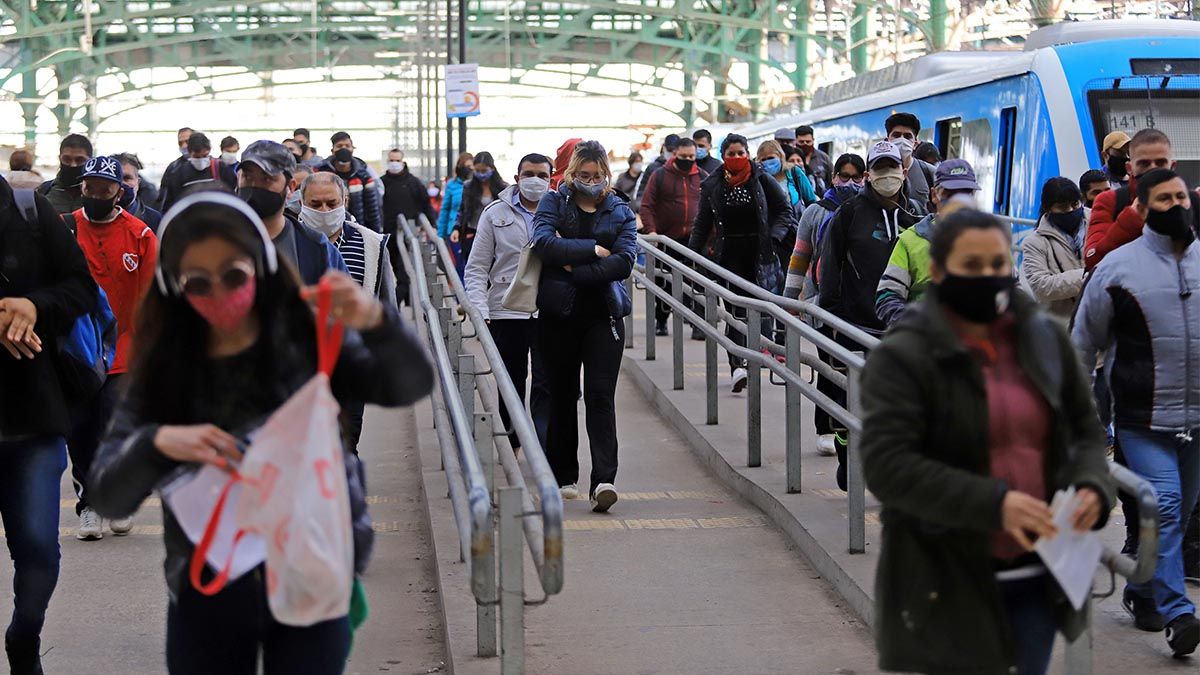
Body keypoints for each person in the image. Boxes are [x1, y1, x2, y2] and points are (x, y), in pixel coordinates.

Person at [88, 190, 433, 675]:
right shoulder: (165, 371)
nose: (219, 293)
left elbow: (409, 384)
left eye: (233, 274)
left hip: (311, 571)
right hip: (207, 586)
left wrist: (377, 321)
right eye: (197, 283)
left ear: (261, 267)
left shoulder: (307, 338)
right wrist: (159, 443)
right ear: (174, 288)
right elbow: (106, 495)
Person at [861, 207, 1114, 675]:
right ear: (938, 271)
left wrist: (1091, 487)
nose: (987, 277)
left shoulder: (1044, 341)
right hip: (947, 576)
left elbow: (1083, 430)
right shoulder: (905, 355)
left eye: (997, 265)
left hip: (1039, 571)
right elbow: (888, 466)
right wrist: (996, 504)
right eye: (971, 267)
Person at [1073, 168, 1200, 657]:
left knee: (1178, 516)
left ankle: (1142, 589)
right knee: (1164, 504)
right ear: (1141, 210)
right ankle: (1179, 613)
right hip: (1141, 419)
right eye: (1165, 199)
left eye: (1181, 197)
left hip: (1195, 420)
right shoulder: (1117, 269)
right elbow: (1083, 343)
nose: (1178, 206)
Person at [0, 172, 98, 675]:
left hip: (31, 419)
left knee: (38, 547)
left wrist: (33, 304)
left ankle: (24, 636)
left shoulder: (29, 212)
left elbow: (81, 288)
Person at [532, 141, 635, 512]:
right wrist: (594, 250)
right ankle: (564, 477)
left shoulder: (619, 208)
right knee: (561, 396)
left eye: (597, 175)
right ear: (571, 174)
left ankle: (604, 480)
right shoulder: (553, 202)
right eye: (584, 175)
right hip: (559, 316)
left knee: (599, 397)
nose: (591, 182)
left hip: (604, 318)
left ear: (606, 174)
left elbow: (624, 261)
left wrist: (572, 264)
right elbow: (542, 244)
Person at [65, 155, 158, 540]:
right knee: (82, 430)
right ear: (82, 188)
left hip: (125, 350)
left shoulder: (140, 235)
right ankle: (89, 505)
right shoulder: (65, 230)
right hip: (79, 351)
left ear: (121, 191)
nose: (97, 195)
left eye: (105, 189)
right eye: (91, 188)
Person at [818, 140, 921, 489]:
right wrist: (830, 318)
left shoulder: (915, 214)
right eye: (879, 169)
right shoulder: (848, 214)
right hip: (854, 322)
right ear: (867, 176)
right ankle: (846, 454)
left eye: (892, 167)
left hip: (900, 326)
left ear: (904, 172)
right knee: (851, 401)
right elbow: (829, 268)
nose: (887, 176)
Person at [298, 171, 399, 456]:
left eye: (331, 203)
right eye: (315, 204)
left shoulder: (372, 245)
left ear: (345, 200)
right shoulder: (287, 242)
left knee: (346, 440)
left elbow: (385, 301)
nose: (324, 211)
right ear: (301, 203)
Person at [688, 134, 792, 393]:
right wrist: (692, 256)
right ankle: (737, 367)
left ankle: (757, 356)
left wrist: (775, 237)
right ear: (723, 156)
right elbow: (702, 224)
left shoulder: (761, 179)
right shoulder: (712, 185)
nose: (736, 158)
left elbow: (784, 210)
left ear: (748, 154)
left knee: (758, 309)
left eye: (740, 153)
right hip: (729, 257)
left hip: (760, 255)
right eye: (731, 154)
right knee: (735, 312)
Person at [464, 153, 554, 451]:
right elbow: (477, 267)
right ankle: (512, 444)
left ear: (551, 178)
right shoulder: (494, 213)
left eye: (542, 175)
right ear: (516, 178)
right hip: (505, 309)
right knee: (510, 381)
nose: (536, 181)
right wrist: (479, 308)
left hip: (549, 310)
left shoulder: (562, 211)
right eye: (529, 174)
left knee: (547, 383)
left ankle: (544, 448)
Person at [876, 158, 981, 327]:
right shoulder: (910, 242)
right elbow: (886, 296)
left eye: (965, 194)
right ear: (934, 195)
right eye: (950, 195)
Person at [1085, 128, 1198, 271]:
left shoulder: (1192, 201)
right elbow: (1093, 259)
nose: (1152, 169)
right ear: (1130, 168)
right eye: (1144, 164)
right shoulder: (1110, 201)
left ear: (1172, 166)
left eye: (1160, 163)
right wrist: (1132, 218)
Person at [237, 140, 348, 285]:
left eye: (267, 179)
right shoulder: (220, 240)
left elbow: (340, 303)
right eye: (248, 177)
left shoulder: (316, 247)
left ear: (290, 187)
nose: (255, 187)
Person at [640, 138, 705, 337]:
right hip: (666, 239)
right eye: (683, 156)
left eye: (691, 157)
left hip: (694, 241)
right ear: (675, 154)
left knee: (698, 282)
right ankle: (661, 320)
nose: (688, 160)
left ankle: (699, 324)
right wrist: (651, 231)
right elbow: (646, 205)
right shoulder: (660, 175)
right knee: (664, 282)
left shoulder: (702, 177)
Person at [785, 152, 865, 302]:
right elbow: (799, 258)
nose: (850, 182)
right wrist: (789, 301)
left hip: (858, 302)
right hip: (816, 300)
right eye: (844, 176)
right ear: (834, 177)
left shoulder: (869, 212)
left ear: (864, 178)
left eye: (856, 178)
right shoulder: (814, 212)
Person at [1020, 177, 1086, 321]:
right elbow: (1041, 287)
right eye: (1062, 207)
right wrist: (1088, 276)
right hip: (1063, 327)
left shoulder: (1099, 224)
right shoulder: (1034, 242)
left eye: (1075, 204)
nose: (1070, 210)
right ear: (1047, 208)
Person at [315, 132, 383, 233]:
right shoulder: (321, 172)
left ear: (352, 149)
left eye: (347, 146)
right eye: (339, 146)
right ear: (332, 150)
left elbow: (373, 208)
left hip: (359, 229)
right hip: (327, 230)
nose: (344, 149)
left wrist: (376, 233)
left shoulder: (364, 174)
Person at [450, 151, 508, 268]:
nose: (481, 174)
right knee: (474, 268)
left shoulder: (503, 188)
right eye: (477, 171)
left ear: (492, 169)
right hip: (473, 234)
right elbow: (462, 210)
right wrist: (456, 228)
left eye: (484, 171)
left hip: (496, 236)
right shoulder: (468, 186)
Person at [160, 132, 238, 212]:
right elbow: (170, 205)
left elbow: (233, 194)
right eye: (197, 157)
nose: (201, 160)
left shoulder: (221, 168)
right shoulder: (178, 174)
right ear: (190, 153)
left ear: (209, 151)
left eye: (205, 156)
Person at [884, 112, 937, 210]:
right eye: (896, 135)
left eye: (907, 136)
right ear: (887, 141)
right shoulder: (878, 172)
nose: (902, 140)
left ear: (915, 144)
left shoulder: (930, 173)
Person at [381, 148, 437, 232]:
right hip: (387, 230)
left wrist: (432, 224)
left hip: (410, 229)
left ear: (403, 162)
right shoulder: (381, 182)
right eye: (391, 160)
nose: (394, 163)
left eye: (397, 160)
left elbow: (426, 203)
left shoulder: (414, 182)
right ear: (388, 161)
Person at [38, 133, 91, 214]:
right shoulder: (44, 191)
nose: (73, 165)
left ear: (90, 161)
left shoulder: (97, 195)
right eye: (67, 159)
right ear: (59, 158)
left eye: (79, 160)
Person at [116, 152, 164, 234]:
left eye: (127, 178)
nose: (122, 184)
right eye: (117, 178)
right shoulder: (95, 217)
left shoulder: (155, 220)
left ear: (138, 183)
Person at [633, 134, 679, 206]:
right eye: (670, 150)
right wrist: (642, 208)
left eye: (675, 151)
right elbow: (642, 192)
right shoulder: (652, 168)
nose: (672, 154)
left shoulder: (684, 168)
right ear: (664, 148)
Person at [155, 127, 195, 209]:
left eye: (187, 141)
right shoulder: (173, 168)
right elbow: (162, 198)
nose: (184, 146)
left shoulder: (213, 166)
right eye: (180, 143)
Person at [437, 152, 474, 241]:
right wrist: (440, 235)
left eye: (472, 166)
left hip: (472, 230)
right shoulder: (451, 184)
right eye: (467, 166)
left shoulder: (477, 185)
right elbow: (445, 209)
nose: (470, 169)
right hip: (453, 230)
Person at [794, 125, 833, 194]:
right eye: (801, 142)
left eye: (808, 142)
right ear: (796, 141)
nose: (805, 144)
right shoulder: (791, 158)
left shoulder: (824, 158)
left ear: (813, 140)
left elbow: (832, 181)